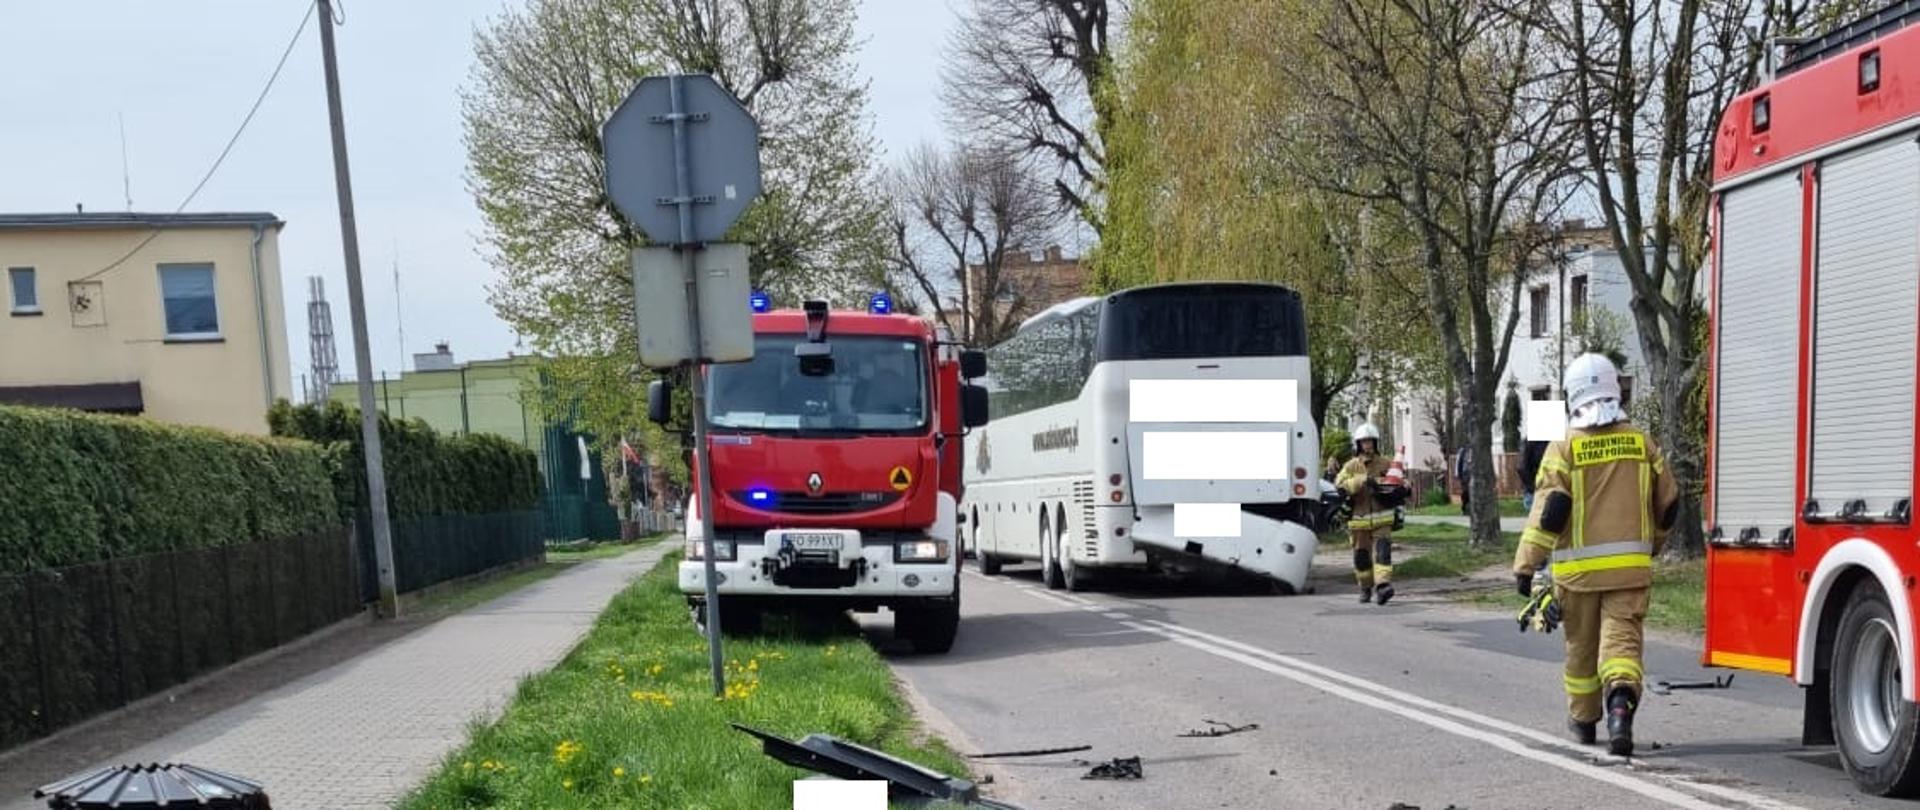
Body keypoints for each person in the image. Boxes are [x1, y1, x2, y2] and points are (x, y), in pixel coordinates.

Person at [1513, 353, 1678, 757]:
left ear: (1573, 396)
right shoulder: (1643, 443)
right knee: (1621, 646)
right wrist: (1654, 543)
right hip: (1629, 574)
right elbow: (1669, 503)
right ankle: (1620, 710)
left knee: (1582, 653)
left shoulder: (1564, 447)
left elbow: (1547, 515)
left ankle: (1584, 722)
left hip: (1577, 577)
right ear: (1614, 389)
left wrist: (1526, 565)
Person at [1336, 423, 1398, 606]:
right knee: (1362, 557)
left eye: (1370, 441)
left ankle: (1383, 587)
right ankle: (1365, 587)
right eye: (1364, 442)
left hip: (1382, 518)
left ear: (1375, 443)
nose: (1367, 445)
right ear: (1358, 444)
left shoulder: (1386, 463)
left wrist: (1402, 487)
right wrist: (1361, 481)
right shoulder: (1351, 466)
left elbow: (1398, 480)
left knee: (1383, 554)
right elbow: (1339, 484)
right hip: (1358, 521)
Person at [1519, 435, 1549, 514]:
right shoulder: (1531, 440)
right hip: (1536, 490)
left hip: (1546, 489)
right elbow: (1522, 467)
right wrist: (1533, 488)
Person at [1454, 444, 1471, 515]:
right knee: (1465, 492)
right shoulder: (1463, 451)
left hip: (1476, 475)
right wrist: (1458, 475)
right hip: (1465, 475)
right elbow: (1458, 463)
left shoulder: (1479, 449)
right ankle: (1465, 509)